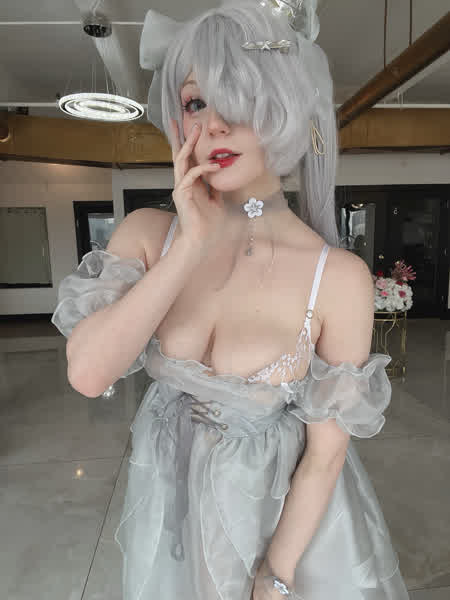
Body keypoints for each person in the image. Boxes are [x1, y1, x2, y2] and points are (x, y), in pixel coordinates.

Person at [51, 1, 411, 599]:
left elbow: (326, 456)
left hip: (281, 526)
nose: (214, 125)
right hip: (173, 514)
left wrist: (276, 576)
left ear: (285, 108)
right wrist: (190, 246)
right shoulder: (148, 236)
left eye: (239, 99)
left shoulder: (336, 277)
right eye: (196, 102)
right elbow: (88, 374)